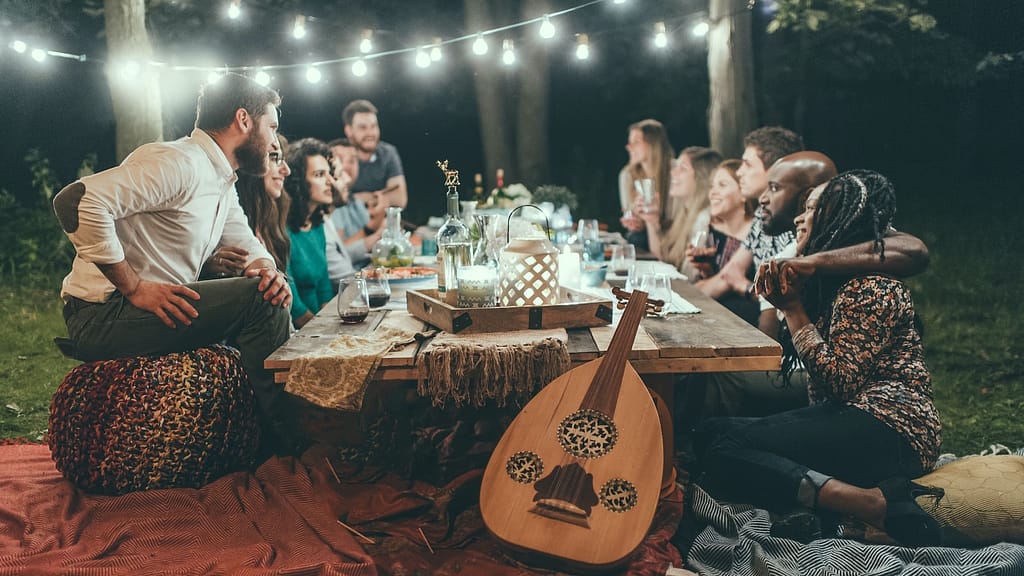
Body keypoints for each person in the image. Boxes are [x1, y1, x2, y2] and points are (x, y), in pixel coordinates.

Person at [695, 170, 944, 547]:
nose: (798, 217)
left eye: (811, 209)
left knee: (725, 451)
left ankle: (868, 504)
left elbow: (842, 382)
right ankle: (826, 503)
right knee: (710, 434)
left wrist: (793, 311)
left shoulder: (870, 286)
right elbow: (829, 394)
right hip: (852, 415)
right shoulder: (835, 283)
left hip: (894, 430)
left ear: (836, 219)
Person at [51, 73, 294, 451]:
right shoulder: (180, 163)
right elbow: (77, 201)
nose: (275, 141)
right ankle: (289, 440)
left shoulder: (220, 179)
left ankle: (270, 425)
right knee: (261, 302)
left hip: (145, 312)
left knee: (268, 288)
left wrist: (268, 271)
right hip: (101, 315)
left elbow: (246, 242)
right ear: (244, 120)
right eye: (272, 127)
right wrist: (133, 286)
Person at [695, 126, 804, 302]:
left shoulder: (797, 222)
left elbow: (784, 301)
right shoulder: (762, 214)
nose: (739, 172)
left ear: (776, 168)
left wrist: (744, 287)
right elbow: (729, 275)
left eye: (747, 164)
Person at [202, 135, 292, 277]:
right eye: (275, 158)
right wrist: (206, 268)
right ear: (251, 163)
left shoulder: (273, 219)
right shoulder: (222, 217)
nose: (286, 170)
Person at [686, 159, 758, 324]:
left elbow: (726, 281)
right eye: (712, 186)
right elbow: (717, 281)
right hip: (718, 312)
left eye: (722, 185)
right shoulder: (712, 229)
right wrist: (707, 270)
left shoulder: (758, 231)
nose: (712, 193)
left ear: (743, 194)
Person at [284, 137, 345, 329]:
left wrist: (333, 327)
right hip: (296, 334)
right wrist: (324, 332)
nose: (330, 182)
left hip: (318, 326)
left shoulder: (317, 225)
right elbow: (296, 309)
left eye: (329, 173)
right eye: (319, 175)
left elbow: (324, 288)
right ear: (299, 182)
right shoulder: (282, 229)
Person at [648, 146, 723, 276]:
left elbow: (688, 278)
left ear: (701, 177)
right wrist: (651, 220)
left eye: (682, 168)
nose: (673, 172)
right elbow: (663, 261)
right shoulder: (686, 212)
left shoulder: (704, 218)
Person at [618, 119, 674, 252]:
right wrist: (634, 221)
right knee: (635, 238)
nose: (629, 147)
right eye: (629, 142)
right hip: (644, 235)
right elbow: (628, 211)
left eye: (636, 142)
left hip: (672, 234)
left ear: (654, 144)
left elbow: (678, 217)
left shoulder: (674, 171)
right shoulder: (627, 175)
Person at [343, 99, 407, 215]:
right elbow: (334, 201)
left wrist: (362, 197)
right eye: (363, 127)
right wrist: (381, 197)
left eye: (373, 126)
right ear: (349, 130)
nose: (370, 133)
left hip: (381, 223)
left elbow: (400, 199)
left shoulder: (388, 153)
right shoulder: (339, 155)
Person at [327, 137, 381, 269]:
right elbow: (338, 255)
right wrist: (375, 231)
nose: (346, 166)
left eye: (352, 160)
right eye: (339, 159)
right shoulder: (332, 204)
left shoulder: (355, 201)